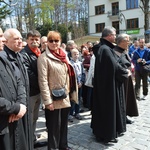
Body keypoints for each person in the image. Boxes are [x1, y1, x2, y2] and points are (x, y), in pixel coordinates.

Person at [37, 31, 78, 150]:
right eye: (51, 41)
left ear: (60, 42)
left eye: (56, 40)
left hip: (65, 94)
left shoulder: (63, 54)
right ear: (47, 42)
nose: (54, 43)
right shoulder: (43, 58)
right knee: (53, 126)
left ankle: (63, 145)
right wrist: (47, 101)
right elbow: (42, 81)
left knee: (64, 124)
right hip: (53, 97)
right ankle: (53, 147)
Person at [91, 26, 130, 143]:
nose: (115, 36)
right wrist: (125, 72)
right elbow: (115, 66)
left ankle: (104, 133)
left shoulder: (104, 48)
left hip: (105, 86)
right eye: (114, 34)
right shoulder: (105, 49)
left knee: (103, 109)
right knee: (107, 110)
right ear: (109, 36)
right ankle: (106, 134)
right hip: (108, 87)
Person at [0, 28, 32, 150]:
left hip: (16, 115)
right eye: (0, 36)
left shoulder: (4, 60)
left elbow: (19, 82)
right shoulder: (5, 56)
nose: (3, 39)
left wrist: (20, 105)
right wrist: (15, 108)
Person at [21, 30, 46, 147]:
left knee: (35, 118)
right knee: (29, 119)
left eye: (36, 39)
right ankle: (28, 143)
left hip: (37, 92)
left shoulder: (38, 53)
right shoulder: (24, 54)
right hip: (30, 93)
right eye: (32, 39)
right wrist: (43, 83)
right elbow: (28, 74)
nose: (34, 41)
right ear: (27, 40)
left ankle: (32, 138)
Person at [113, 33, 139, 124]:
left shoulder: (124, 50)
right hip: (121, 80)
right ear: (122, 41)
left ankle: (125, 116)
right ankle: (121, 118)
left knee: (127, 99)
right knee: (122, 100)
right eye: (127, 41)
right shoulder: (115, 51)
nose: (129, 42)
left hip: (127, 79)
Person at [69, 48, 85, 121]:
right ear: (71, 55)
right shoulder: (70, 63)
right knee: (73, 99)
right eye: (74, 54)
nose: (76, 55)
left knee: (78, 98)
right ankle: (70, 113)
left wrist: (81, 81)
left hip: (80, 84)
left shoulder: (80, 63)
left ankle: (77, 112)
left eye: (77, 54)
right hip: (73, 84)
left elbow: (83, 73)